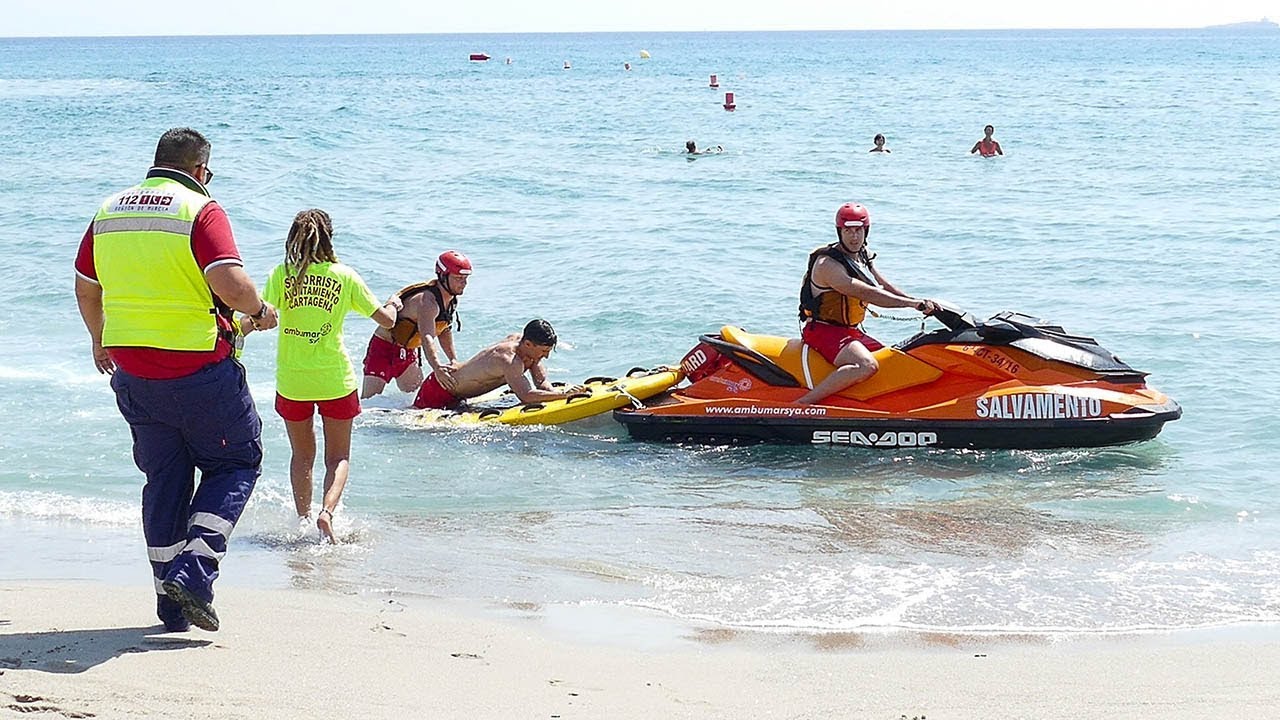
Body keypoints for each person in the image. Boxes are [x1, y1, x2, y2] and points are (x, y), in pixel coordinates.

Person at [73, 127, 278, 633]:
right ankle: (195, 571)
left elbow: (85, 287)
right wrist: (259, 308)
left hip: (136, 377)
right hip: (199, 370)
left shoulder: (109, 211)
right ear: (200, 169)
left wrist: (100, 340)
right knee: (236, 463)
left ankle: (170, 602)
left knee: (164, 480)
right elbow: (228, 281)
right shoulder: (199, 208)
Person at [240, 209, 400, 543]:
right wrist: (395, 304)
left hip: (293, 381)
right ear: (329, 236)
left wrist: (231, 332)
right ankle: (327, 514)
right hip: (334, 379)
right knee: (338, 457)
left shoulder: (281, 274)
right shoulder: (345, 276)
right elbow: (386, 321)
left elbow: (256, 318)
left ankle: (302, 522)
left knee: (302, 457)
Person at [795, 203, 938, 405]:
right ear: (839, 232)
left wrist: (920, 302)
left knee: (893, 360)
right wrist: (911, 304)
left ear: (866, 231)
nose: (854, 237)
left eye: (858, 231)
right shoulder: (827, 265)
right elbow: (868, 293)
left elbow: (883, 285)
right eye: (848, 231)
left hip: (850, 331)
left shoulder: (861, 256)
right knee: (866, 365)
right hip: (823, 331)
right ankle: (804, 404)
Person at [360, 251, 471, 399]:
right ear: (443, 276)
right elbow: (427, 337)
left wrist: (453, 360)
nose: (464, 283)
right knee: (369, 403)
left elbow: (444, 330)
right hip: (383, 349)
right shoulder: (427, 302)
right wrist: (437, 368)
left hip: (407, 351)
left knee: (414, 399)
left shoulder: (450, 299)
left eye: (465, 278)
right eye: (458, 278)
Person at [412, 319, 586, 409]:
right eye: (543, 351)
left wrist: (564, 394)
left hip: (458, 394)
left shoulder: (529, 350)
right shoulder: (509, 360)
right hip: (439, 389)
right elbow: (526, 396)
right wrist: (563, 396)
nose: (546, 356)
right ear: (528, 344)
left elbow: (541, 383)